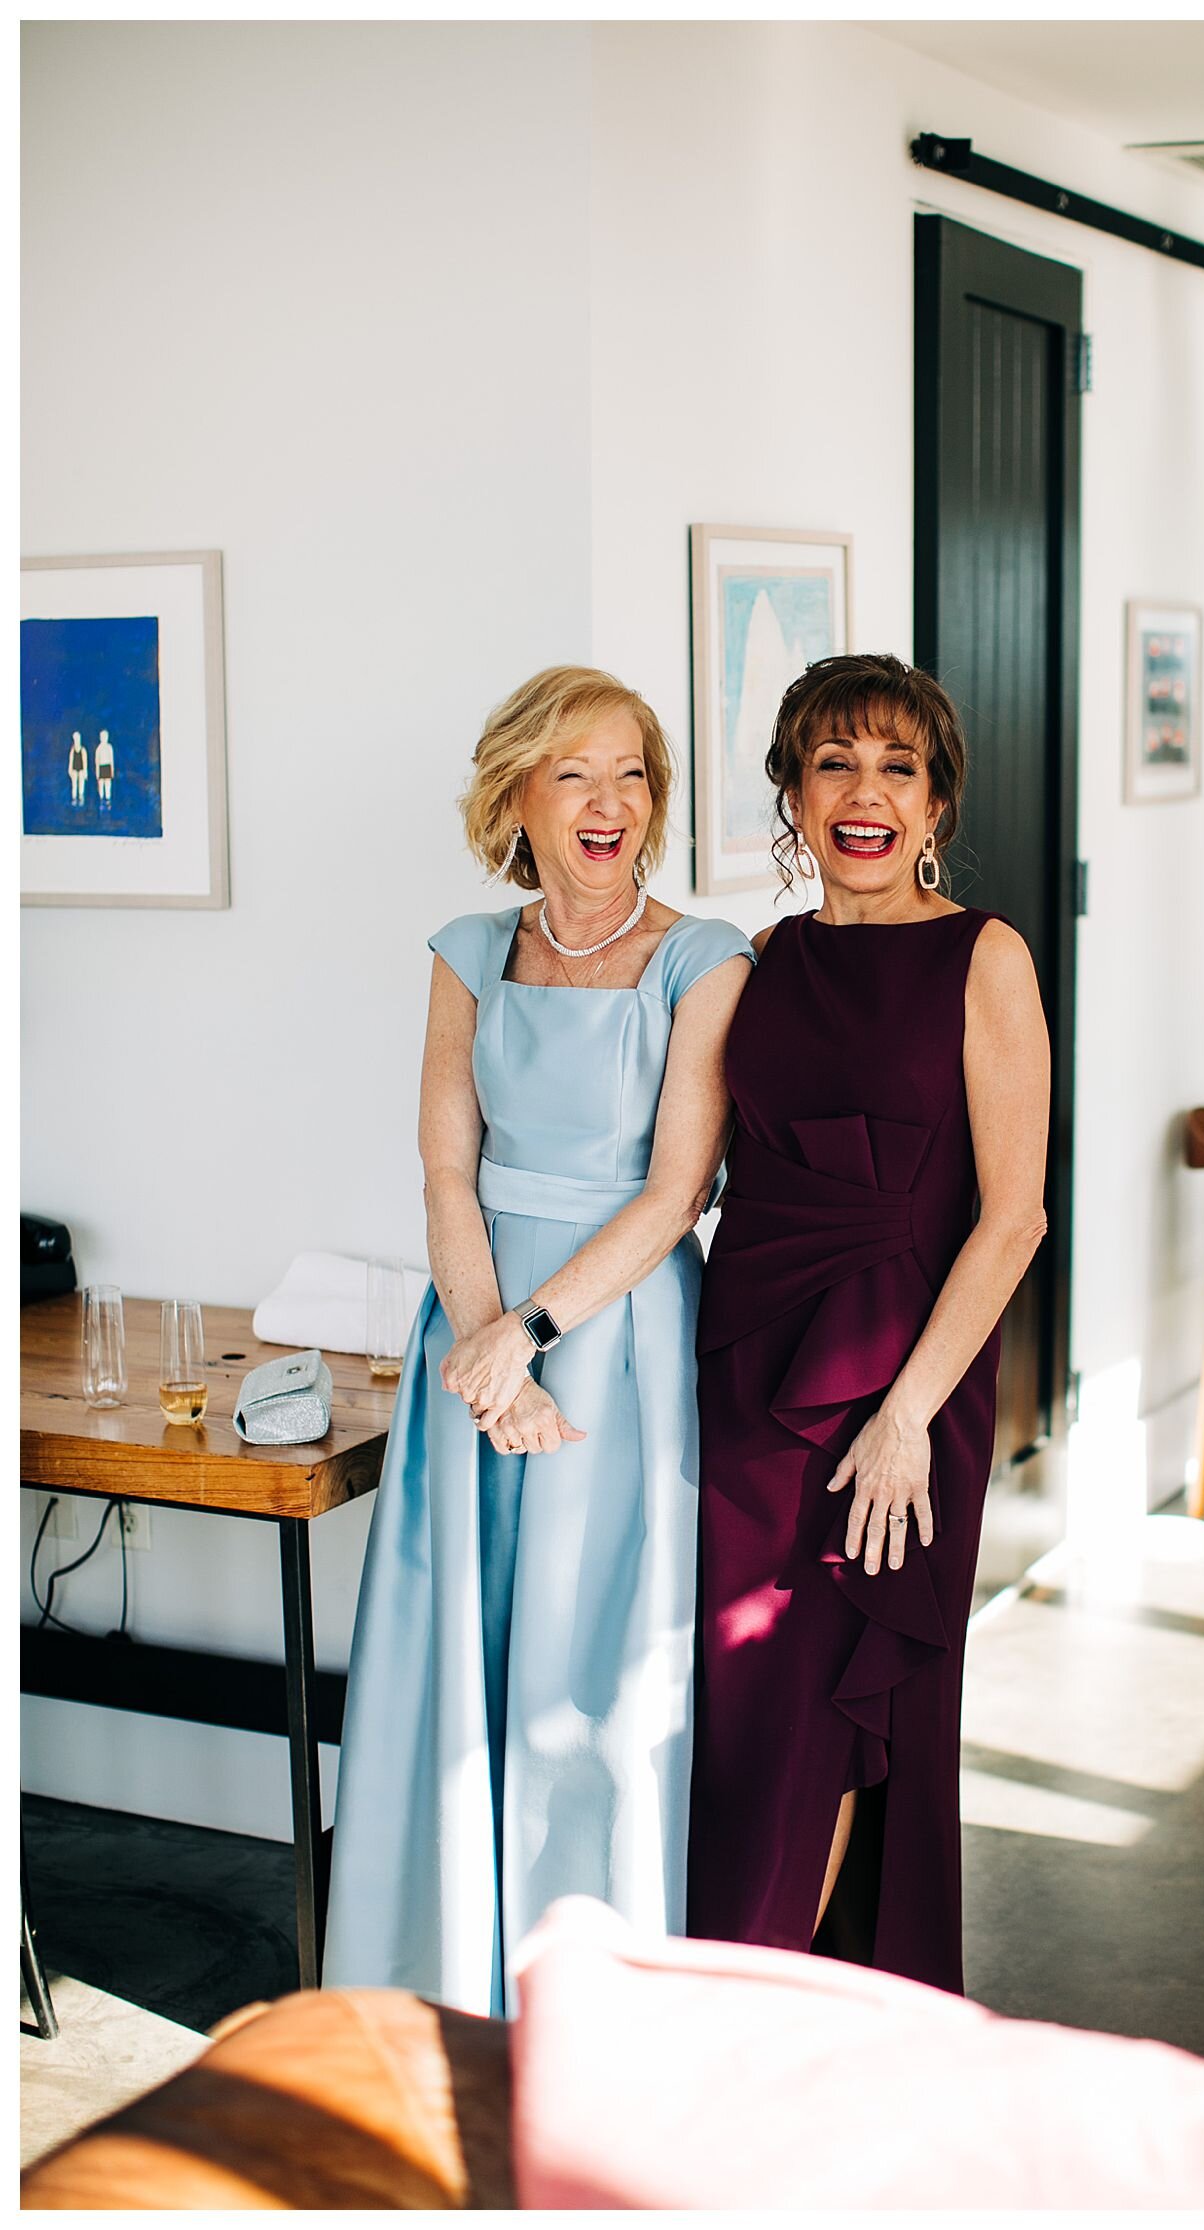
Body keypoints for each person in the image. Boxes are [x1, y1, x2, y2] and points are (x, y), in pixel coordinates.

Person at [324, 665, 753, 2016]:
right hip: (475, 1332)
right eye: (574, 773)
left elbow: (678, 1188)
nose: (608, 801)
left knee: (597, 1671)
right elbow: (449, 1172)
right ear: (518, 793)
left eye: (632, 773)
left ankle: (596, 1996)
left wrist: (537, 1332)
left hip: (620, 1341)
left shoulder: (707, 958)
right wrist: (481, 1347)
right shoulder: (465, 950)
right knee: (462, 1639)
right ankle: (437, 1977)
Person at [687, 652, 1050, 1995]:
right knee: (744, 1709)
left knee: (827, 1708)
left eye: (898, 766)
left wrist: (904, 1418)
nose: (865, 793)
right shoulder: (766, 958)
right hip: (747, 1371)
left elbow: (1012, 1220)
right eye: (834, 762)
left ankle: (759, 2015)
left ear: (936, 802)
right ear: (790, 790)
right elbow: (691, 1171)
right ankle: (777, 2006)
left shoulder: (986, 956)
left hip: (904, 1385)